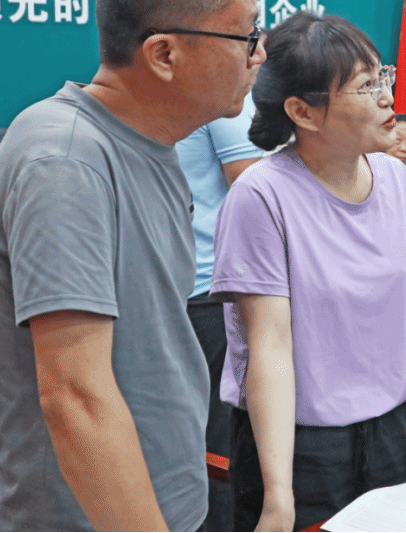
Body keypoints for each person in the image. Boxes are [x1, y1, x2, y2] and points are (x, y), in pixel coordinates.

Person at [0, 0, 265, 531]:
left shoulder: (153, 148)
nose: (258, 56)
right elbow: (75, 397)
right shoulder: (66, 160)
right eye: (246, 36)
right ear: (164, 54)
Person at [209, 12, 406, 532]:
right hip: (296, 448)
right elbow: (269, 347)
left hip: (388, 432)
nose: (388, 98)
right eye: (366, 86)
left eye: (383, 76)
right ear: (303, 111)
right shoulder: (261, 196)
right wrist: (279, 495)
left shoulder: (396, 180)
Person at [176, 94, 263, 529]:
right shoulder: (226, 101)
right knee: (221, 433)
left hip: (190, 286)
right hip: (214, 289)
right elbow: (255, 195)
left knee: (205, 427)